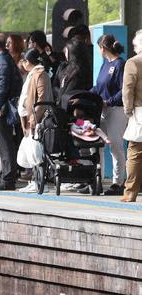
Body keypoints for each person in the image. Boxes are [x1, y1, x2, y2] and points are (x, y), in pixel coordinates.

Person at [91, 34, 127, 195]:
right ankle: (95, 180)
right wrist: (82, 96)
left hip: (116, 109)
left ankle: (118, 183)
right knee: (97, 144)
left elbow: (123, 89)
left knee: (115, 145)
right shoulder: (105, 64)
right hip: (103, 109)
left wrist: (109, 101)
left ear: (102, 48)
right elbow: (98, 87)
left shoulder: (120, 64)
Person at [0, 32, 22, 191]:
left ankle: (8, 178)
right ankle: (5, 175)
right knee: (3, 142)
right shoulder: (2, 60)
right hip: (0, 105)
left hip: (2, 107)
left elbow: (3, 85)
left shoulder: (2, 61)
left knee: (5, 142)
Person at [18, 48, 53, 193]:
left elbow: (42, 99)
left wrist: (33, 118)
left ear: (27, 61)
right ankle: (35, 179)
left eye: (23, 60)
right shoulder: (32, 75)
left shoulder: (40, 75)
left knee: (36, 152)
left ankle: (39, 181)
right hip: (28, 118)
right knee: (31, 151)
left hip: (36, 120)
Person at [122, 29, 142, 202]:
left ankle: (131, 192)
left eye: (135, 44)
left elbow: (128, 88)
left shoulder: (133, 62)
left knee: (134, 151)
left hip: (139, 111)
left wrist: (128, 110)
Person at [55, 38, 92, 110]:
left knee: (80, 121)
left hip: (76, 113)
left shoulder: (78, 72)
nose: (64, 53)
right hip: (65, 108)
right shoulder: (67, 68)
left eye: (66, 51)